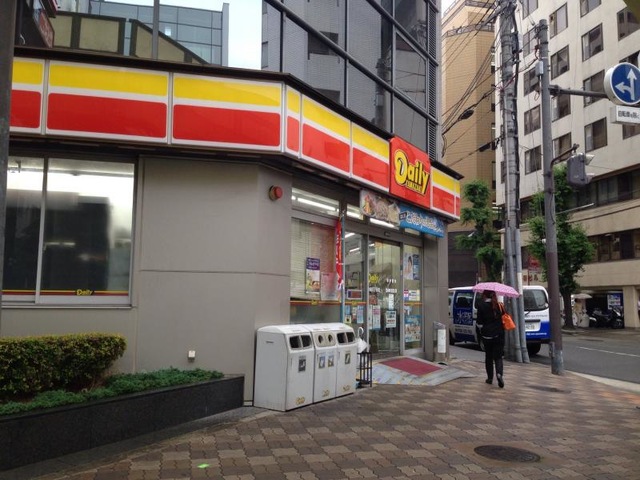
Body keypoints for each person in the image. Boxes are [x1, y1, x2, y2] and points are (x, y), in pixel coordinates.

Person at [476, 289, 505, 388]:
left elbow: (479, 323)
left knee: (488, 357)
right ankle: (499, 374)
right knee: (498, 356)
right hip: (498, 335)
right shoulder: (499, 306)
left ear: (485, 295)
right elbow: (503, 319)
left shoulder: (481, 306)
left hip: (487, 336)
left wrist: (481, 329)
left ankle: (490, 378)